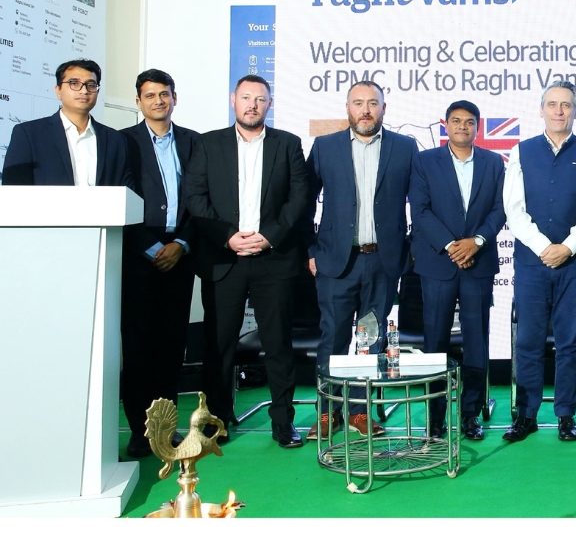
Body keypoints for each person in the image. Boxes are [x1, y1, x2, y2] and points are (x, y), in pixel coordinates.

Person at [184, 74, 309, 448]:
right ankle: (217, 421)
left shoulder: (288, 144)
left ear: (269, 104)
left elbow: (299, 198)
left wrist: (269, 235)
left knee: (278, 344)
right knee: (219, 345)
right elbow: (195, 197)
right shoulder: (207, 144)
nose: (252, 105)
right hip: (225, 259)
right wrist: (228, 236)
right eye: (246, 98)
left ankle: (282, 422)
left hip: (274, 258)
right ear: (233, 100)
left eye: (260, 99)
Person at [305, 80, 416, 440]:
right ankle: (327, 412)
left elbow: (422, 201)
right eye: (358, 103)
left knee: (371, 340)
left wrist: (409, 247)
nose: (365, 110)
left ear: (384, 108)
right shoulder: (325, 147)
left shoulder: (405, 147)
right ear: (347, 108)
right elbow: (303, 203)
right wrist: (310, 251)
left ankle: (359, 411)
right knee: (333, 338)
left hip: (381, 263)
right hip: (336, 263)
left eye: (372, 103)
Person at [502, 80, 576, 442]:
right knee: (528, 342)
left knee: (569, 342)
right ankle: (526, 415)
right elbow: (513, 209)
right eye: (552, 104)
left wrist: (568, 247)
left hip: (574, 263)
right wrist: (544, 246)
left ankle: (565, 415)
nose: (559, 111)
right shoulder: (521, 151)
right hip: (532, 262)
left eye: (566, 105)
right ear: (541, 109)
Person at [410, 100, 506, 441]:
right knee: (435, 343)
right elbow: (420, 211)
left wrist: (476, 242)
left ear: (477, 127)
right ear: (445, 125)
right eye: (456, 121)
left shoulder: (493, 162)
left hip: (478, 262)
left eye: (469, 122)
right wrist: (452, 246)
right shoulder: (424, 161)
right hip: (439, 263)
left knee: (477, 341)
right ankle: (435, 419)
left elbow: (500, 208)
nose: (462, 126)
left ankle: (470, 414)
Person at [118, 69, 201, 458]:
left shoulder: (194, 142)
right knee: (138, 349)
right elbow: (119, 196)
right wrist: (151, 248)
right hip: (138, 256)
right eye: (149, 95)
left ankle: (165, 430)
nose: (158, 101)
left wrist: (182, 243)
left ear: (174, 98)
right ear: (138, 101)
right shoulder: (122, 142)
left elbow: (201, 199)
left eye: (164, 94)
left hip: (180, 256)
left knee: (172, 348)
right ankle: (140, 431)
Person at [2, 58, 132, 188]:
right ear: (58, 90)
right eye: (74, 83)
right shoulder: (29, 134)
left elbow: (127, 192)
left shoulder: (115, 140)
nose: (84, 91)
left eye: (91, 85)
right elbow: (14, 189)